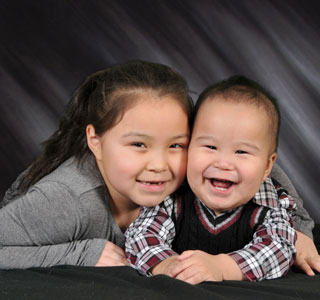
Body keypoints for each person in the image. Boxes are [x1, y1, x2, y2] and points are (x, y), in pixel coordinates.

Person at [125, 75, 319, 284]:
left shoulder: (269, 206)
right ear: (189, 146)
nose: (223, 163)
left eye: (241, 151)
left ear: (267, 166)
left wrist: (223, 267)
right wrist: (168, 264)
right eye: (210, 147)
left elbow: (278, 249)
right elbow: (140, 235)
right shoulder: (173, 196)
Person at [0, 60, 193, 268]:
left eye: (176, 145)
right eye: (138, 144)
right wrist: (80, 254)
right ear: (96, 142)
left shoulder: (188, 189)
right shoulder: (68, 200)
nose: (159, 165)